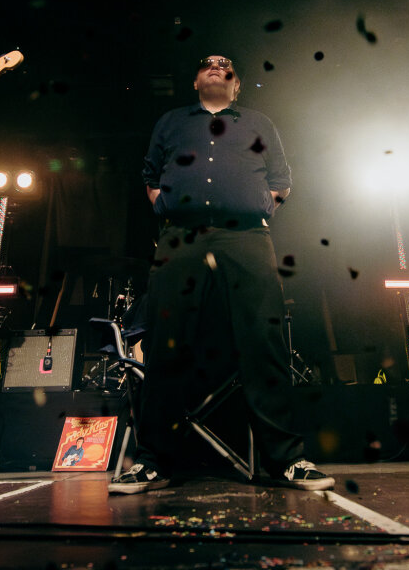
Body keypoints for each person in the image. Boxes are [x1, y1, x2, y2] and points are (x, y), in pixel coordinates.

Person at [108, 54, 333, 494]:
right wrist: (164, 205)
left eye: (225, 65)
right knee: (165, 343)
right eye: (207, 64)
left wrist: (260, 208)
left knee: (263, 342)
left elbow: (281, 180)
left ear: (236, 85)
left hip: (245, 237)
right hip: (181, 238)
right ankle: (152, 461)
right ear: (195, 81)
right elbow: (150, 174)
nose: (216, 66)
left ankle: (286, 459)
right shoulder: (172, 121)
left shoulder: (259, 122)